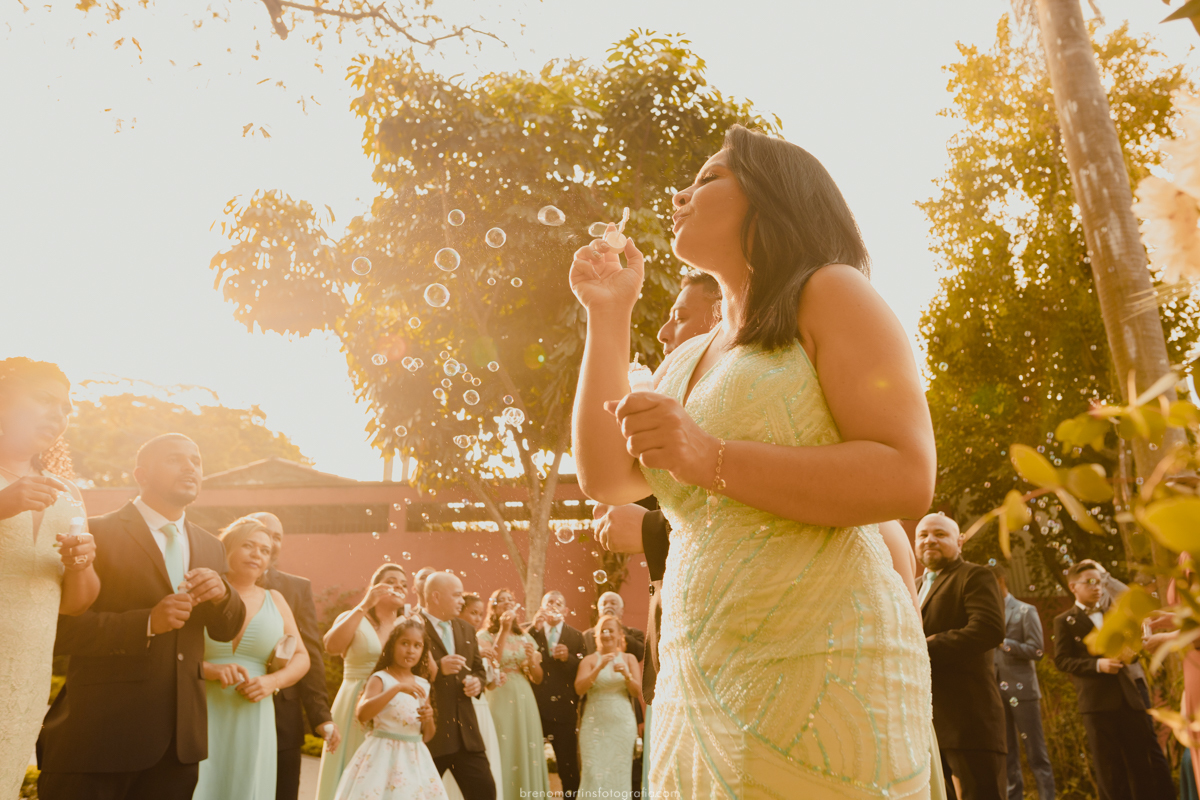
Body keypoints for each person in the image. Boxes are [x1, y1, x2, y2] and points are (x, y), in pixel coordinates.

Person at [570, 124, 937, 796]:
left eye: (709, 176)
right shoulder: (685, 359)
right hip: (700, 676)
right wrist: (608, 315)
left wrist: (710, 455)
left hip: (823, 666)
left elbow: (907, 473)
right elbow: (606, 475)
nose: (681, 193)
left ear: (771, 198)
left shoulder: (830, 292)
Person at [38, 433, 247, 800]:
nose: (190, 467)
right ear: (141, 475)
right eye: (175, 459)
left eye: (196, 460)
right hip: (98, 740)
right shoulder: (94, 532)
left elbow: (226, 628)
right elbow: (59, 631)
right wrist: (147, 623)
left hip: (179, 748)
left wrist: (223, 595)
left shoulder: (211, 546)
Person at [0, 358, 99, 797]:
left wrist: (82, 565)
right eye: (44, 400)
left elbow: (75, 603)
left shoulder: (68, 494)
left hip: (26, 673)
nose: (58, 415)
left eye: (65, 408)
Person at [195, 517, 311, 800]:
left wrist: (273, 681)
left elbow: (301, 656)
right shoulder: (202, 591)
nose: (257, 554)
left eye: (264, 550)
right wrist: (208, 669)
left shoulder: (277, 600)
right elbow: (172, 654)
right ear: (228, 549)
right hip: (199, 708)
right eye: (248, 546)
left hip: (254, 714)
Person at [1054, 562, 1174, 800]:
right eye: (1089, 582)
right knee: (1109, 770)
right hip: (1097, 704)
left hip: (1130, 699)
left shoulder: (1115, 614)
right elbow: (1062, 660)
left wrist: (1132, 652)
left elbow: (1136, 645)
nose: (1096, 587)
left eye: (1098, 582)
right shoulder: (1064, 620)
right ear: (1073, 587)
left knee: (1143, 765)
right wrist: (1098, 665)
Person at [915, 513, 1006, 800]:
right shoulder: (912, 586)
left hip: (967, 720)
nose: (930, 539)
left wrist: (921, 649)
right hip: (922, 722)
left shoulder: (975, 575)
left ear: (960, 541)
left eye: (940, 534)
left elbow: (988, 629)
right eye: (923, 535)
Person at [250, 511, 338, 800]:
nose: (271, 543)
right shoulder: (218, 579)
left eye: (277, 537)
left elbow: (309, 653)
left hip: (282, 716)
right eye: (264, 533)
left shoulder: (296, 588)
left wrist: (321, 716)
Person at [316, 564, 410, 800]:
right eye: (392, 581)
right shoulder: (354, 616)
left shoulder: (406, 626)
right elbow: (332, 647)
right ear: (375, 586)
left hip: (391, 702)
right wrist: (364, 605)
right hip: (353, 699)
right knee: (349, 762)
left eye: (404, 584)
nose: (399, 586)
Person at [333, 617, 448, 800]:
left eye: (417, 646)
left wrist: (429, 718)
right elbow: (362, 714)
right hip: (382, 755)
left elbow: (426, 736)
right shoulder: (380, 679)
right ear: (392, 646)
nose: (410, 650)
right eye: (404, 643)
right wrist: (397, 688)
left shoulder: (422, 684)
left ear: (423, 651)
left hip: (413, 758)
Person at [422, 572, 496, 800]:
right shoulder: (412, 626)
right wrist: (436, 669)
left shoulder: (466, 629)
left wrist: (477, 682)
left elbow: (478, 669)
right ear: (435, 596)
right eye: (456, 595)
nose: (462, 600)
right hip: (430, 735)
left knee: (485, 793)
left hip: (467, 736)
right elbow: (399, 673)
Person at [987, 564, 1054, 800]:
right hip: (995, 691)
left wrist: (1004, 643)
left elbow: (1037, 650)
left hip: (1023, 691)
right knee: (1007, 754)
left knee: (1036, 752)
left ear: (1001, 580)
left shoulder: (1026, 610)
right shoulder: (986, 613)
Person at [477, 589, 551, 800]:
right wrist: (504, 629)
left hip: (523, 695)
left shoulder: (525, 637)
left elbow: (537, 678)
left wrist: (533, 662)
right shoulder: (483, 636)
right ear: (494, 608)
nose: (508, 603)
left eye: (511, 600)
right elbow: (493, 663)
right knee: (502, 745)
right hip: (497, 692)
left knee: (523, 745)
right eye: (502, 601)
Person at [443, 593, 503, 800]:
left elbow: (485, 678)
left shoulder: (477, 638)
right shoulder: (448, 635)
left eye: (480, 614)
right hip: (447, 717)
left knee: (484, 784)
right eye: (473, 613)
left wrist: (484, 680)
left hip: (475, 712)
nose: (478, 618)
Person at [529, 590, 587, 799]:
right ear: (542, 608)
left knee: (568, 766)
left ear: (565, 611)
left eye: (558, 603)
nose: (554, 605)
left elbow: (584, 667)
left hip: (564, 711)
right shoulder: (530, 632)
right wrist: (533, 629)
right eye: (549, 602)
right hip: (534, 708)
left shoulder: (576, 636)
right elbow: (520, 651)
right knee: (531, 764)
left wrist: (569, 658)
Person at [575, 614, 641, 799]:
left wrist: (627, 675)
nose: (607, 635)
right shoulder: (589, 660)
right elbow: (579, 689)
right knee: (592, 773)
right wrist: (598, 668)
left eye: (611, 630)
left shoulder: (629, 659)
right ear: (597, 635)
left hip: (621, 724)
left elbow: (636, 692)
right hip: (594, 724)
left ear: (620, 634)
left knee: (619, 774)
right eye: (602, 631)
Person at [582, 591, 645, 661]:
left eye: (613, 603)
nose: (608, 606)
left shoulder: (634, 633)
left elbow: (639, 655)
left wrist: (618, 630)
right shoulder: (586, 636)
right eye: (604, 604)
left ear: (622, 611)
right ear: (599, 611)